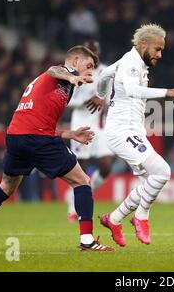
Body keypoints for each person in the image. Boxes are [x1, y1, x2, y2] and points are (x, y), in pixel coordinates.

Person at [0, 46, 114, 252]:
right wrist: (73, 78)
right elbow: (53, 70)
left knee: (6, 187)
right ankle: (87, 241)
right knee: (82, 181)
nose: (91, 72)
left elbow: (43, 121)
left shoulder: (53, 86)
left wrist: (70, 134)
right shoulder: (61, 74)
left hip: (16, 136)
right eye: (88, 66)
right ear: (74, 61)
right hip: (36, 138)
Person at [86, 23, 174, 246]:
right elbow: (131, 91)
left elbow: (104, 75)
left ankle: (114, 219)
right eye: (157, 49)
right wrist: (166, 92)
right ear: (143, 44)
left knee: (150, 181)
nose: (160, 55)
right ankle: (140, 218)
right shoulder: (131, 63)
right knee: (162, 172)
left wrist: (101, 95)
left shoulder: (129, 60)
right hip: (122, 131)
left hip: (133, 131)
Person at [66, 40, 115, 222]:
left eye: (95, 51)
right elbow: (66, 101)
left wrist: (104, 101)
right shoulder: (74, 73)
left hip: (99, 124)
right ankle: (73, 205)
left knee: (106, 166)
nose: (93, 55)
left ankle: (88, 192)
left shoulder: (106, 72)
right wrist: (86, 100)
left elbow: (111, 98)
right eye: (89, 52)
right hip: (80, 122)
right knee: (81, 168)